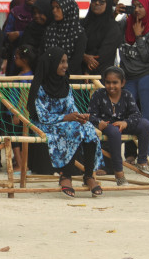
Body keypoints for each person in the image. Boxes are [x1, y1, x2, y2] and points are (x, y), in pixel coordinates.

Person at [29, 49, 103, 197]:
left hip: (65, 122)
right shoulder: (40, 87)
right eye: (61, 62)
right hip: (44, 123)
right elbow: (41, 115)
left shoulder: (64, 84)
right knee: (72, 128)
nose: (65, 65)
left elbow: (71, 109)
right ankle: (65, 175)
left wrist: (79, 117)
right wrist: (66, 118)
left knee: (88, 128)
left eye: (66, 61)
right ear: (51, 64)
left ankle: (88, 176)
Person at [89, 66, 149, 186]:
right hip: (107, 127)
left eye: (115, 82)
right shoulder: (99, 94)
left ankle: (142, 161)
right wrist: (98, 123)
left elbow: (136, 114)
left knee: (145, 124)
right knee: (114, 131)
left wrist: (126, 123)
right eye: (108, 82)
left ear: (122, 83)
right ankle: (119, 172)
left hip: (123, 125)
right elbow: (90, 115)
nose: (111, 86)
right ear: (104, 82)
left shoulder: (127, 95)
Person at [119, 0, 149, 126]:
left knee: (147, 116)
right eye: (135, 6)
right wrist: (114, 13)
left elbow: (146, 56)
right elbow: (111, 29)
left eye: (141, 6)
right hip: (129, 77)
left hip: (147, 76)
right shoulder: (126, 23)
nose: (137, 10)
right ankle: (132, 147)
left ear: (148, 7)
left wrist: (139, 36)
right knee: (127, 115)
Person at [82, 0, 123, 78]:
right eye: (94, 0)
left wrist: (88, 71)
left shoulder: (113, 27)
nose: (97, 3)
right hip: (79, 73)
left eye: (101, 1)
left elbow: (103, 55)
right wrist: (83, 56)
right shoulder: (83, 24)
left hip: (101, 75)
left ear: (108, 4)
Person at [43, 0, 88, 75]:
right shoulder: (49, 30)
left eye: (58, 7)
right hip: (49, 78)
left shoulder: (78, 33)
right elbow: (43, 55)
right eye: (53, 8)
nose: (54, 11)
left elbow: (76, 60)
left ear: (67, 9)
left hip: (71, 79)